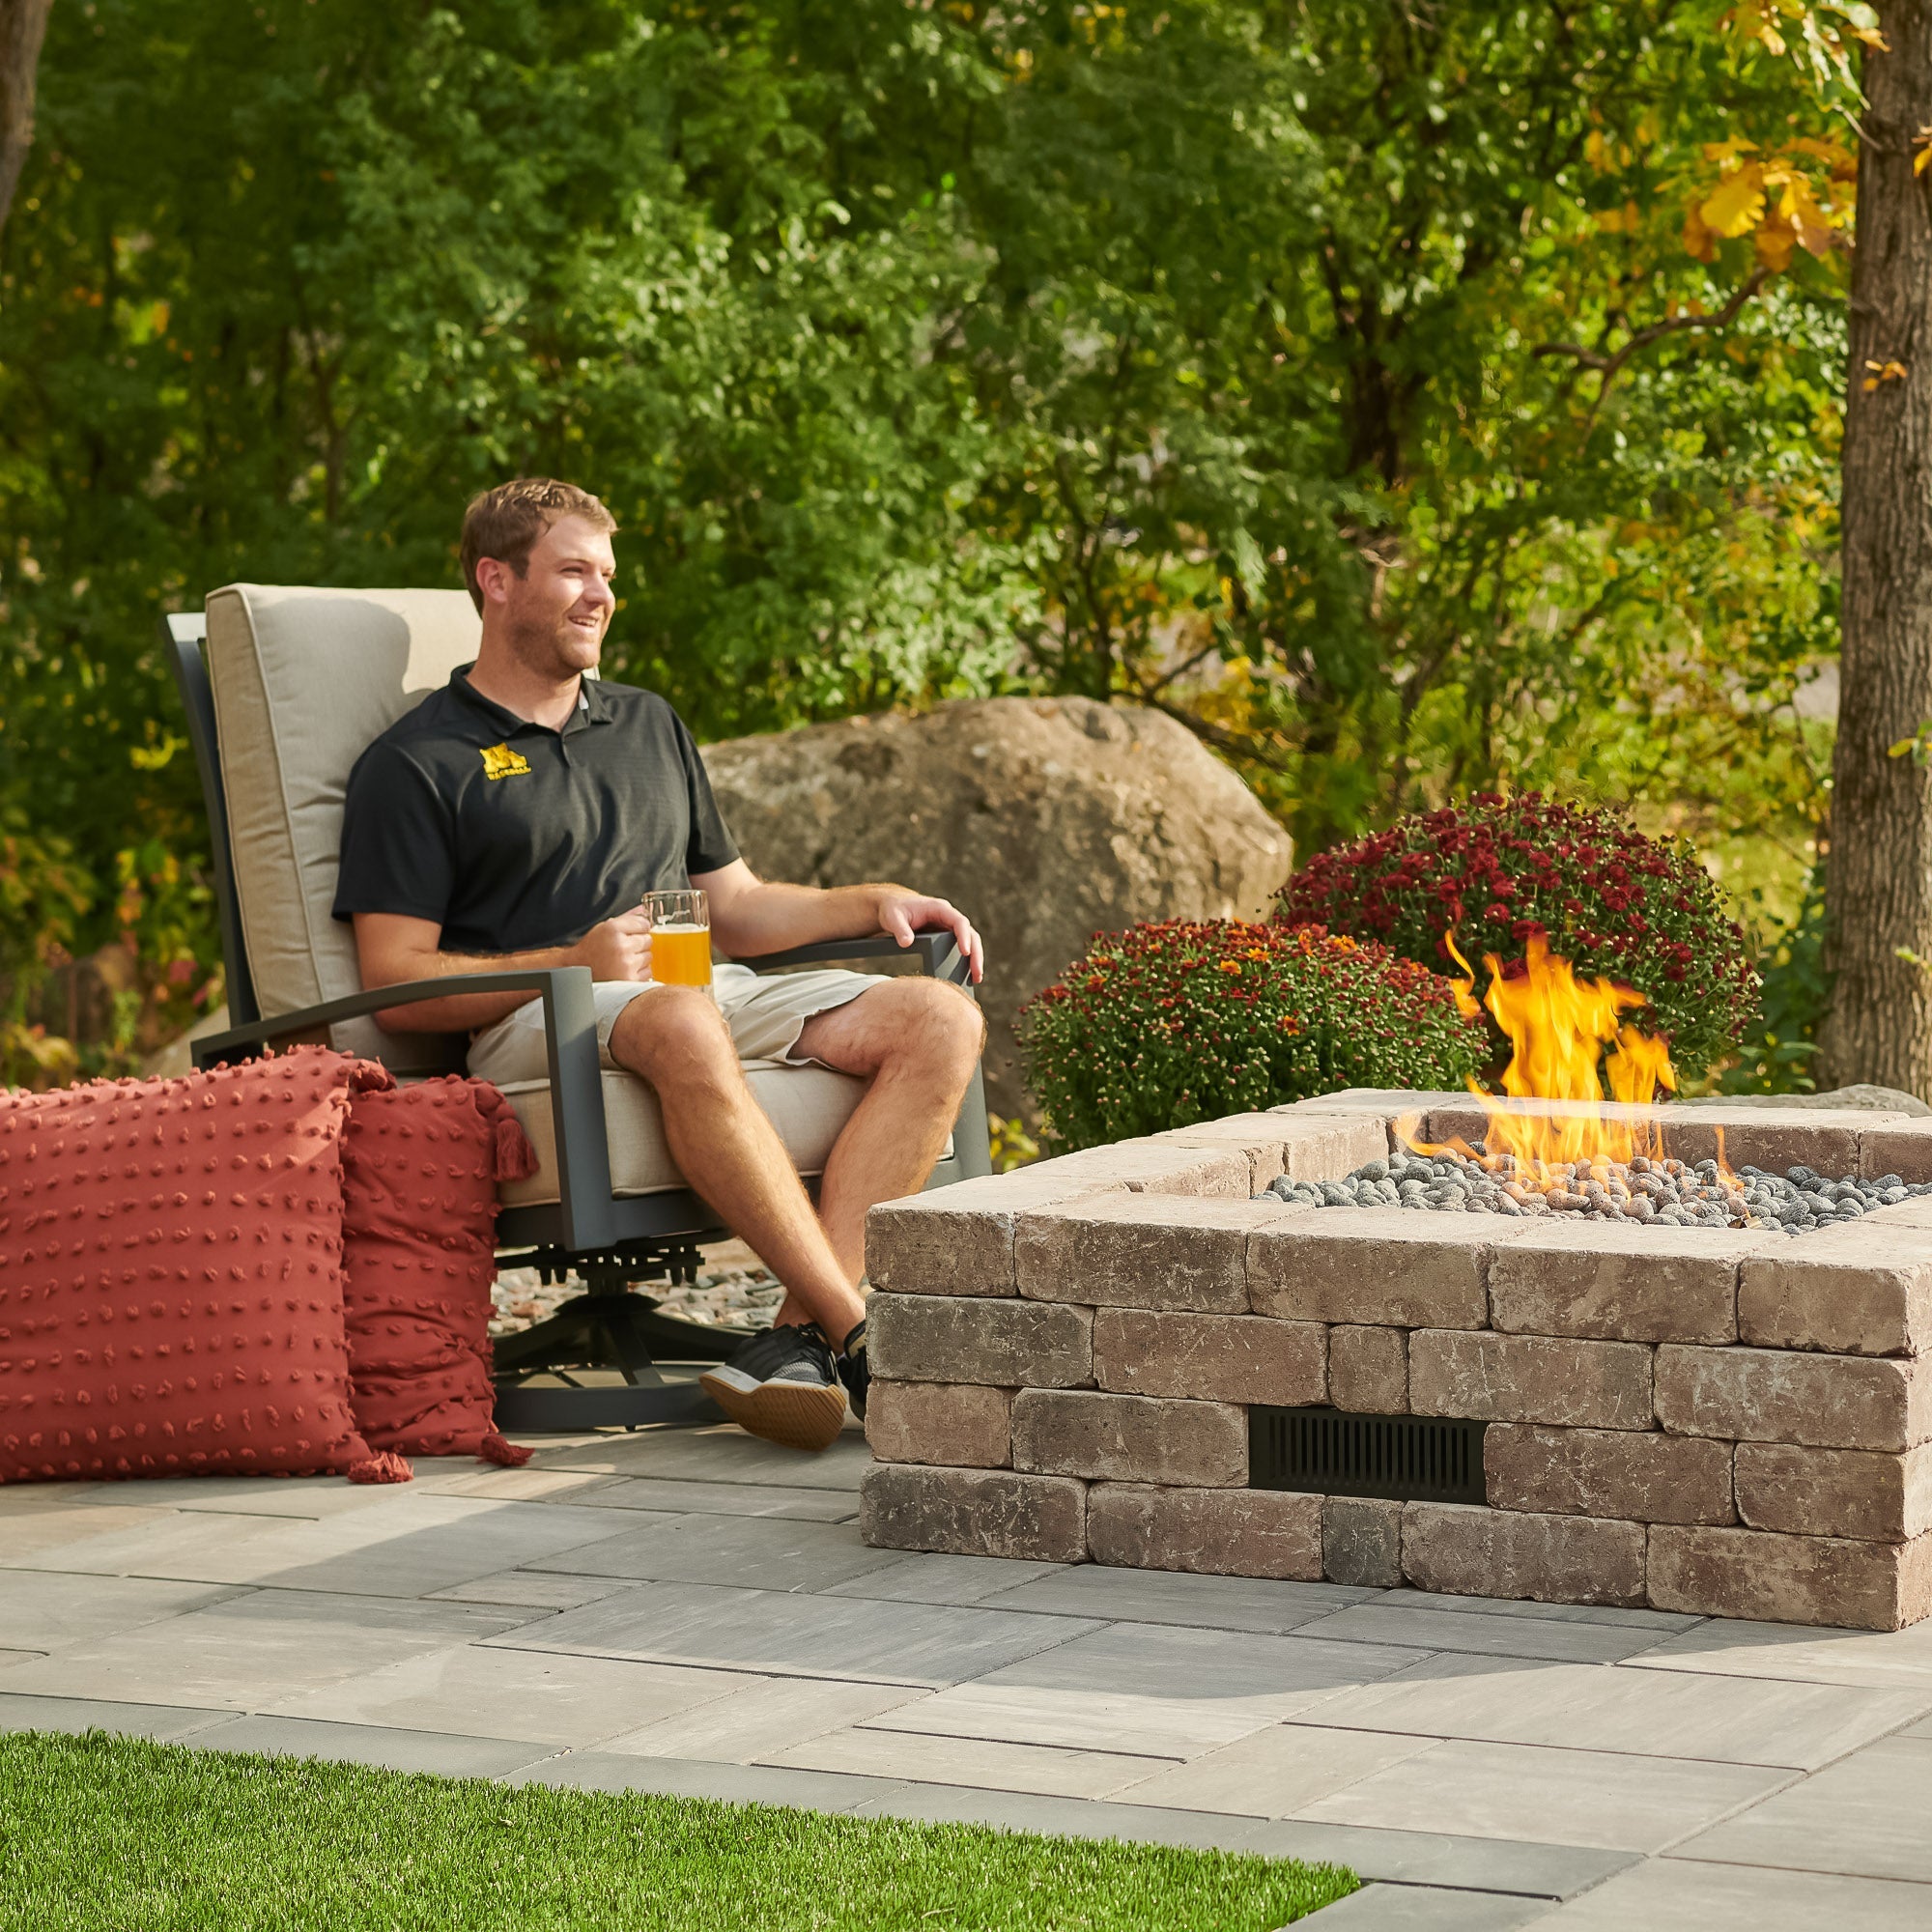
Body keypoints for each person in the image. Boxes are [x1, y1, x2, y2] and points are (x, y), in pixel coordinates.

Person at [331, 478, 985, 1453]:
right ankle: (856, 1331)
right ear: (495, 579)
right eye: (572, 570)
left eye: (606, 574)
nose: (599, 593)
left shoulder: (646, 724)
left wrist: (871, 901)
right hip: (536, 1019)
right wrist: (573, 959)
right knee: (682, 1018)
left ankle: (796, 1340)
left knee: (938, 1017)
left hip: (698, 987)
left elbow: (737, 905)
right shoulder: (419, 761)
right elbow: (394, 978)